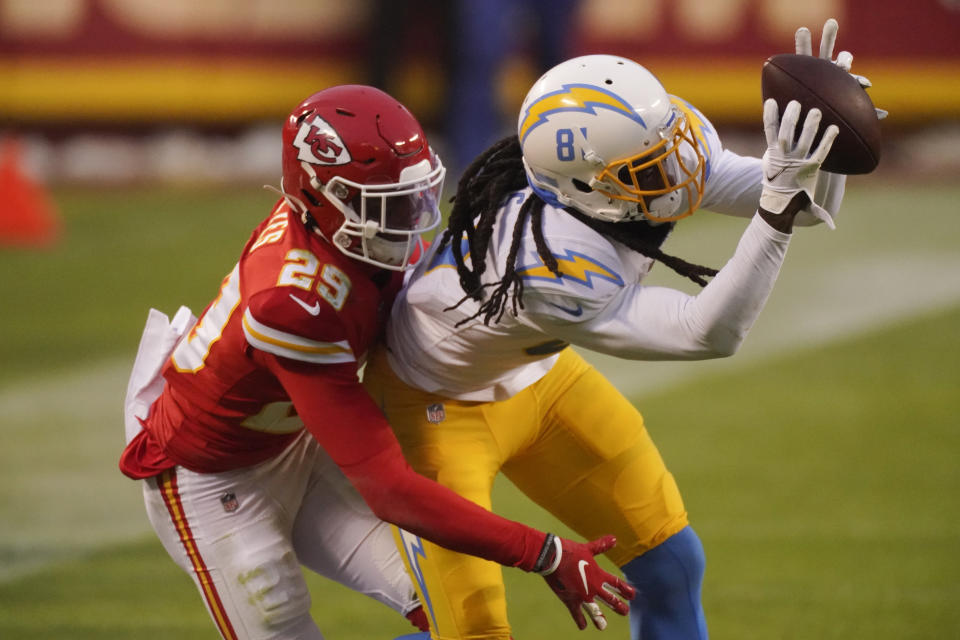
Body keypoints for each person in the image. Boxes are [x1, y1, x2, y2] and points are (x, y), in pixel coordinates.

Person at [362, 20, 873, 640]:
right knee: (471, 630)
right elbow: (707, 332)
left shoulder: (630, 158)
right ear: (586, 189)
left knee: (669, 561)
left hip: (537, 380)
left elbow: (791, 198)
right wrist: (775, 208)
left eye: (667, 143)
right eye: (649, 167)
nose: (678, 164)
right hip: (432, 410)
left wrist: (823, 146)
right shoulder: (548, 263)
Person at [118, 85, 634, 640]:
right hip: (214, 476)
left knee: (449, 610)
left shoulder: (334, 225)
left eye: (411, 195)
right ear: (320, 198)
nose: (407, 218)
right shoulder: (293, 303)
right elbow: (391, 491)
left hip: (298, 438)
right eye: (381, 203)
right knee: (282, 620)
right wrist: (547, 553)